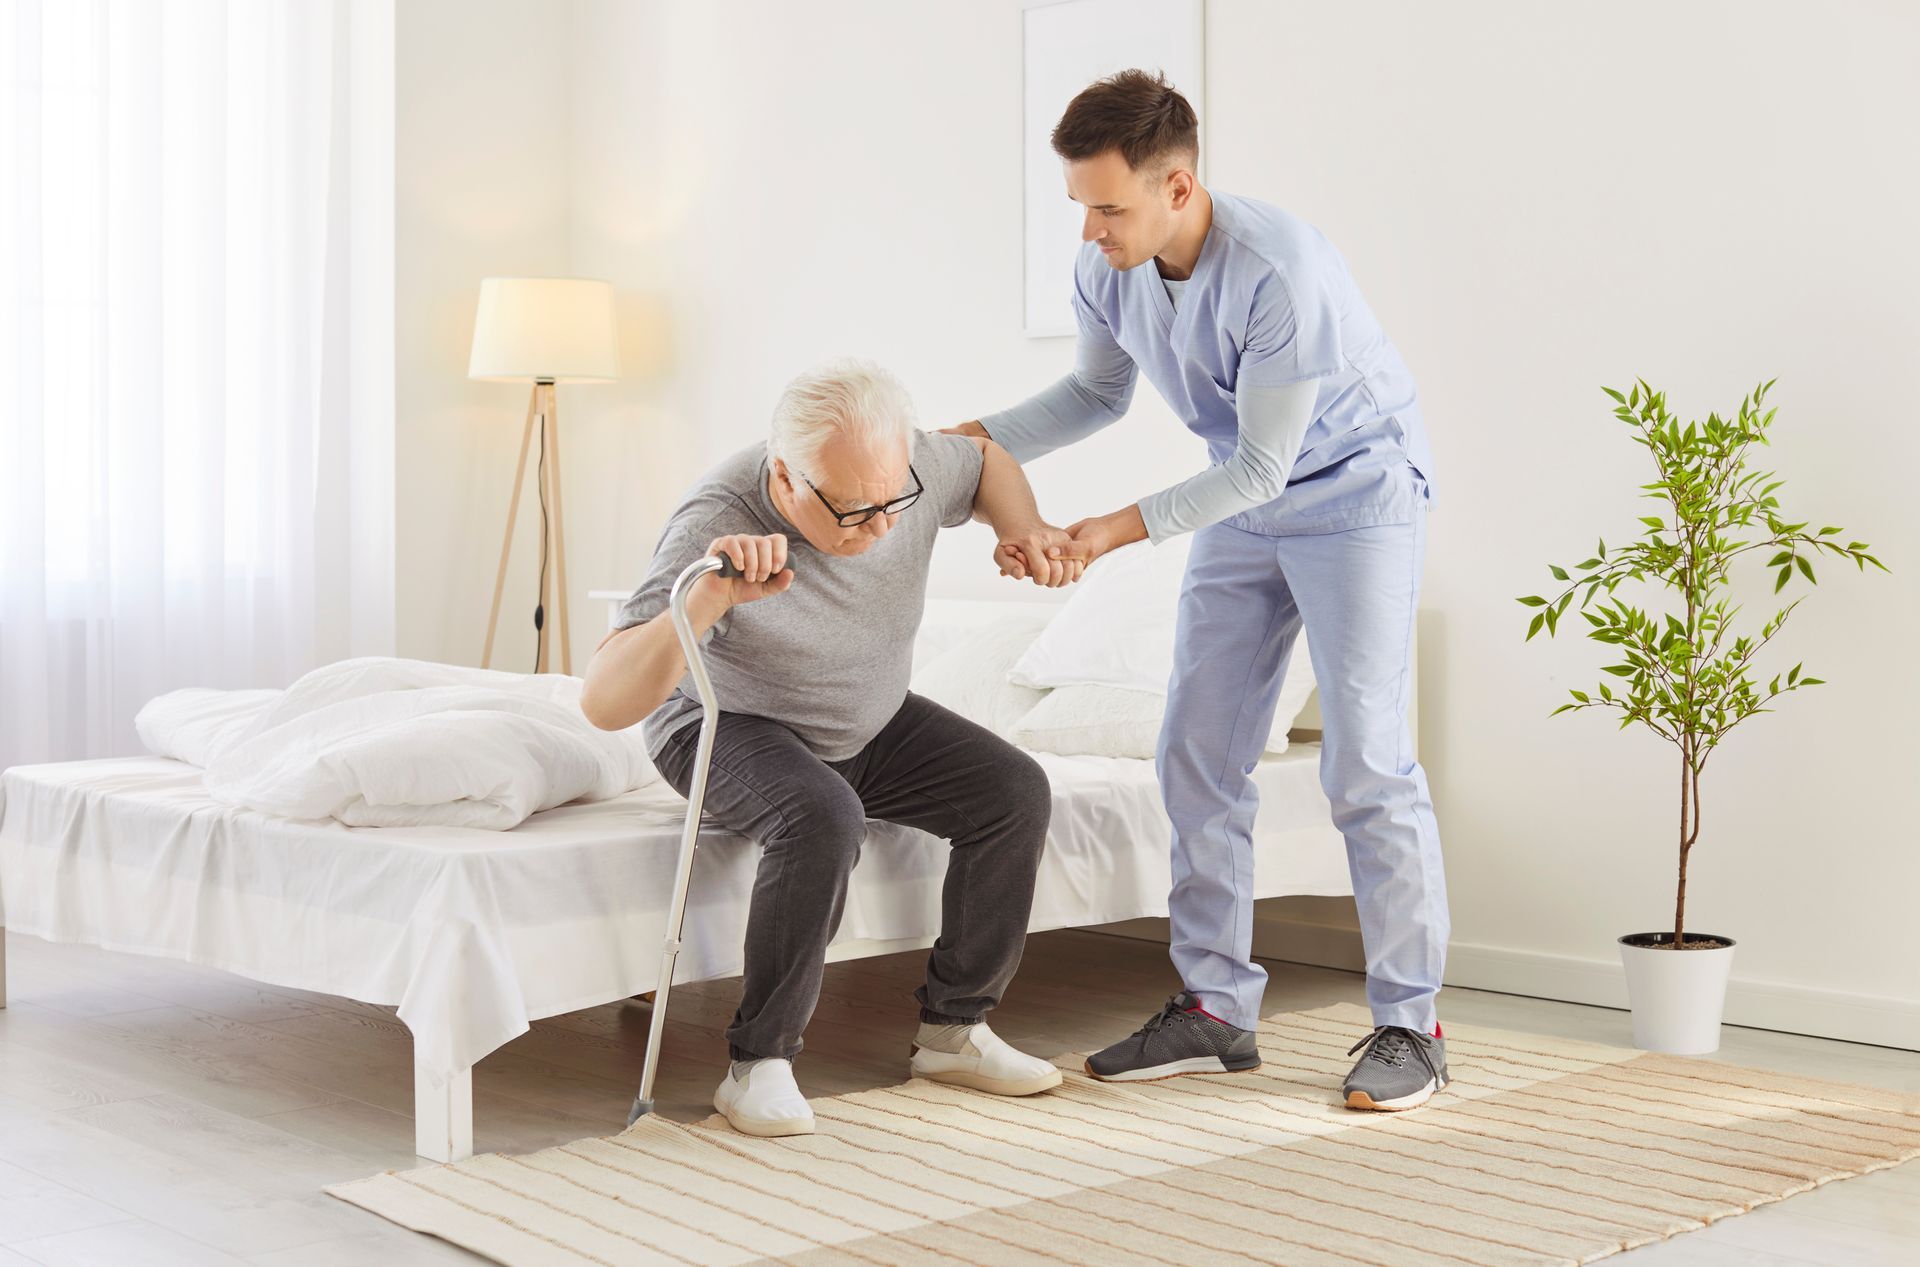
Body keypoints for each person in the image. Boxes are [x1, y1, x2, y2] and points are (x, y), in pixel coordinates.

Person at [950, 70, 1451, 1111]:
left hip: (1353, 491)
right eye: (1082, 204)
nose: (1091, 229)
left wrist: (1109, 533)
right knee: (1197, 749)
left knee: (1367, 758)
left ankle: (1412, 1025)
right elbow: (1095, 393)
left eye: (1110, 206)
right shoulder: (1112, 268)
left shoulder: (1280, 269)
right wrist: (977, 437)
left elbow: (1267, 467)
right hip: (1242, 492)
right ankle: (1216, 1010)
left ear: (1179, 187)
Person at [582, 359, 1086, 1137]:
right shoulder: (721, 509)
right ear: (785, 476)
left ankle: (953, 1031)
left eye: (894, 503)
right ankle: (759, 1064)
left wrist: (1023, 525)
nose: (880, 527)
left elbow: (985, 458)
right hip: (723, 722)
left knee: (1013, 791)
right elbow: (604, 699)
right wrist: (712, 593)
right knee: (823, 816)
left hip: (866, 716)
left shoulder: (901, 468)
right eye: (852, 512)